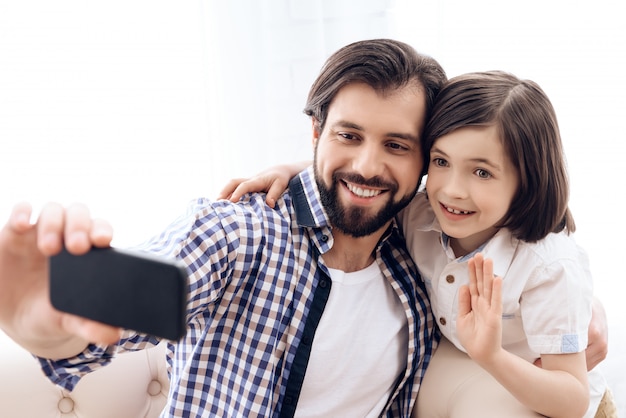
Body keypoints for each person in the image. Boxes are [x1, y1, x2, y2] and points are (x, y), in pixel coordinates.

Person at [0, 39, 448, 417]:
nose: (368, 166)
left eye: (396, 145)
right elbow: (110, 325)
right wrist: (50, 324)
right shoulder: (235, 233)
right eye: (348, 136)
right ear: (316, 133)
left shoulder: (424, 259)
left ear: (426, 158)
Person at [219, 71, 615, 417]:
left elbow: (571, 399)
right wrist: (288, 169)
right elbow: (368, 177)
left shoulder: (548, 265)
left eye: (481, 172)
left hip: (534, 384)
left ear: (527, 180)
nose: (452, 190)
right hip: (460, 366)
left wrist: (491, 355)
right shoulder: (423, 213)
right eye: (441, 162)